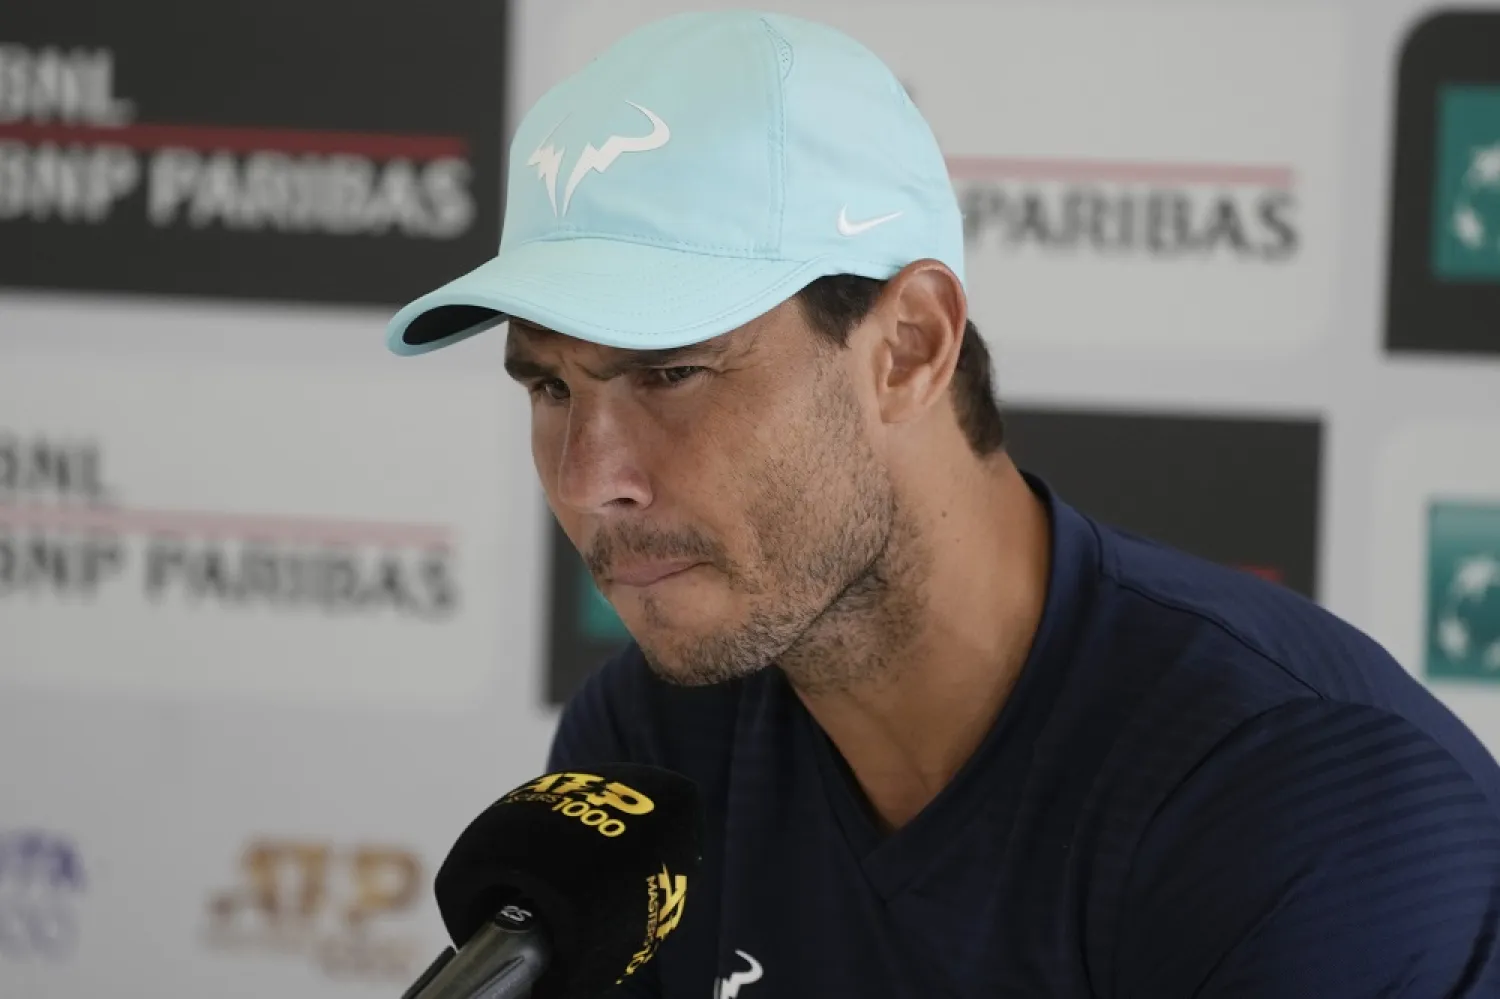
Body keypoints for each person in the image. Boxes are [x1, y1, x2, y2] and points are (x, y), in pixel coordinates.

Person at [386, 10, 1500, 997]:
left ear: (908, 349)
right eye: (548, 384)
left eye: (669, 373)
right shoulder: (644, 761)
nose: (590, 479)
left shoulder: (1302, 799)